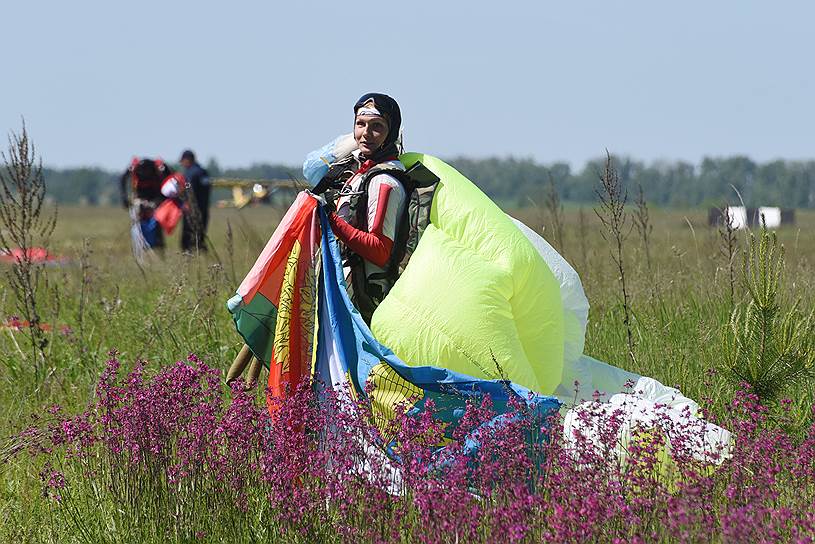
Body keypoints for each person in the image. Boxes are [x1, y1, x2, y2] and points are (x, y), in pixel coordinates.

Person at [310, 93, 407, 323]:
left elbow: (379, 249)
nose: (366, 133)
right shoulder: (357, 170)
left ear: (391, 133)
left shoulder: (385, 182)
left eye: (377, 126)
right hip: (344, 294)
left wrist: (329, 221)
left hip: (367, 304)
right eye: (360, 124)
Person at [120, 157, 175, 249]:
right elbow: (123, 179)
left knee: (156, 221)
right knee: (138, 221)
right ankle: (141, 245)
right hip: (140, 197)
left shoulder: (161, 167)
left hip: (156, 197)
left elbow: (172, 179)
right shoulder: (133, 167)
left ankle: (158, 244)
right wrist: (124, 197)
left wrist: (166, 199)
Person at [179, 149, 211, 252]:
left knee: (187, 239)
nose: (182, 163)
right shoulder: (204, 172)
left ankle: (189, 260)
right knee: (200, 238)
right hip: (204, 210)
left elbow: (188, 187)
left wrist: (186, 202)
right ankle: (204, 259)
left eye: (183, 160)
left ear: (187, 160)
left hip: (192, 210)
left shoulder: (190, 173)